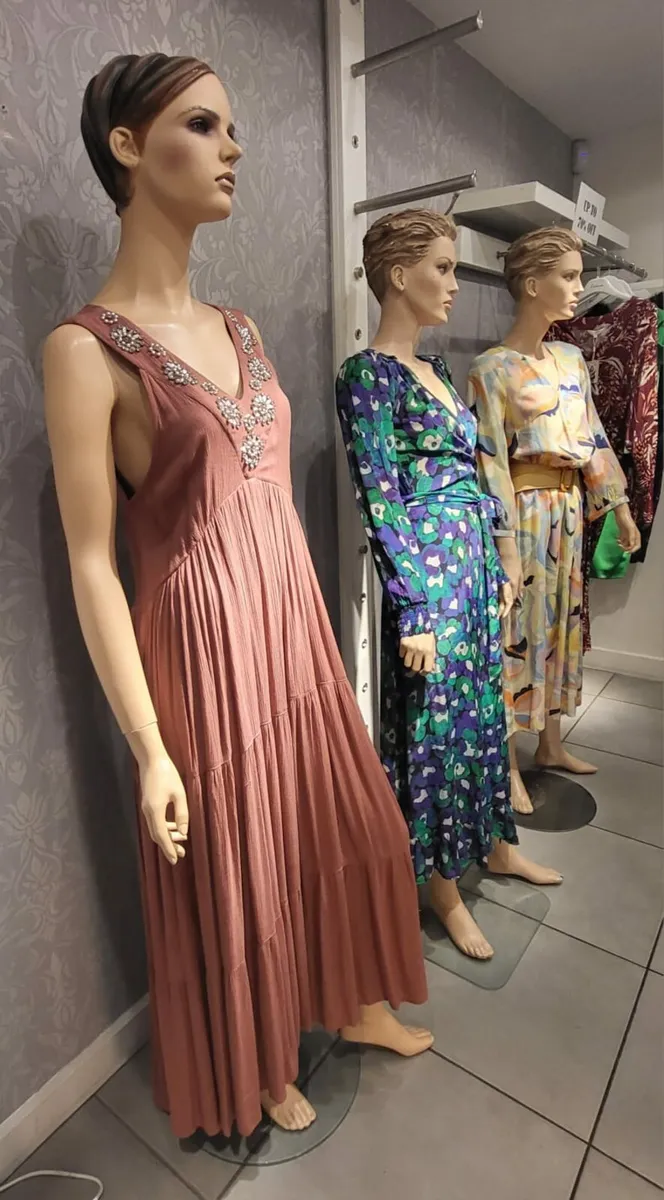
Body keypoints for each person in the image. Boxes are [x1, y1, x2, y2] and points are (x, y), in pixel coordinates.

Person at [43, 53, 431, 1141]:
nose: (234, 149)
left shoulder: (243, 329)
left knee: (345, 818)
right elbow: (90, 561)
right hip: (202, 647)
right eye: (204, 125)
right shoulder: (83, 351)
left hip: (292, 624)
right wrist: (148, 747)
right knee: (244, 863)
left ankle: (349, 998)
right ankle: (256, 1061)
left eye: (231, 128)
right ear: (128, 146)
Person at [336, 209, 562, 963]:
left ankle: (497, 844)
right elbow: (379, 496)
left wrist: (501, 558)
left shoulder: (434, 372)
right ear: (399, 275)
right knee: (435, 733)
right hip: (429, 582)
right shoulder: (367, 377)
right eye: (443, 267)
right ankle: (440, 886)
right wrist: (412, 609)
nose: (454, 283)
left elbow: (474, 473)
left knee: (482, 716)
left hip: (473, 569)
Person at [468, 227, 640, 813]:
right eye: (567, 276)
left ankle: (551, 744)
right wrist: (504, 544)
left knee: (561, 628)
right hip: (524, 515)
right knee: (518, 636)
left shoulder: (570, 359)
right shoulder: (491, 369)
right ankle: (507, 765)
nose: (578, 287)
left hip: (568, 516)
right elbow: (489, 459)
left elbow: (594, 437)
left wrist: (619, 508)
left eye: (578, 275)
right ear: (532, 284)